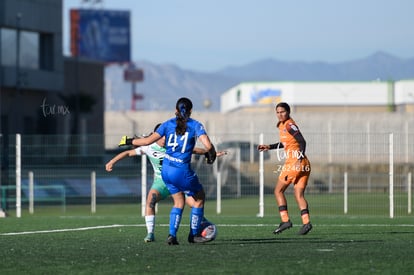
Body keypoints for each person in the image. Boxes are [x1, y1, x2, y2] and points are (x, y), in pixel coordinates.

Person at [118, 97, 217, 245]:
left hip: (166, 171)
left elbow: (146, 141)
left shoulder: (167, 124)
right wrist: (212, 155)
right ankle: (194, 235)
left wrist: (128, 140)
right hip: (182, 171)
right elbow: (208, 146)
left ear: (176, 111)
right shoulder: (195, 125)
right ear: (190, 111)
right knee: (199, 198)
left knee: (178, 202)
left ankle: (172, 235)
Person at [106, 123, 226, 243]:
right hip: (161, 182)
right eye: (161, 135)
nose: (164, 138)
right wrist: (112, 162)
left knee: (194, 203)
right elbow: (128, 153)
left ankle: (199, 224)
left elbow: (193, 150)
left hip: (177, 180)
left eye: (165, 135)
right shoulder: (148, 147)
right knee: (150, 201)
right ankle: (150, 233)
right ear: (155, 136)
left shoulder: (173, 145)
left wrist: (210, 153)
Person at [257, 102, 312, 235]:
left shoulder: (289, 124)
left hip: (295, 163)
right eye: (277, 112)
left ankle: (285, 220)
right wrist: (269, 147)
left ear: (288, 112)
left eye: (282, 112)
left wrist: (298, 159)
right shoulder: (282, 125)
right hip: (304, 164)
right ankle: (306, 223)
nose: (280, 114)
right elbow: (287, 143)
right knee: (298, 194)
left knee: (278, 191)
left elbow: (302, 141)